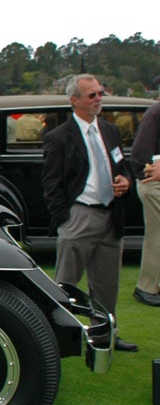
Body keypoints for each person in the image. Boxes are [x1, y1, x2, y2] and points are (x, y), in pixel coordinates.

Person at [42, 74, 137, 351]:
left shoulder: (110, 131)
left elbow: (123, 165)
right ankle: (59, 338)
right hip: (79, 217)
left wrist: (126, 181)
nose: (98, 99)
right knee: (66, 284)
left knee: (107, 285)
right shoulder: (58, 137)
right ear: (74, 101)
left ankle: (105, 335)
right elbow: (51, 184)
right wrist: (65, 220)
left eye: (100, 94)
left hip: (111, 216)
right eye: (92, 95)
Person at [129, 100, 160, 306]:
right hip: (154, 183)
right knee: (157, 236)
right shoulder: (156, 113)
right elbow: (140, 155)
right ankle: (147, 287)